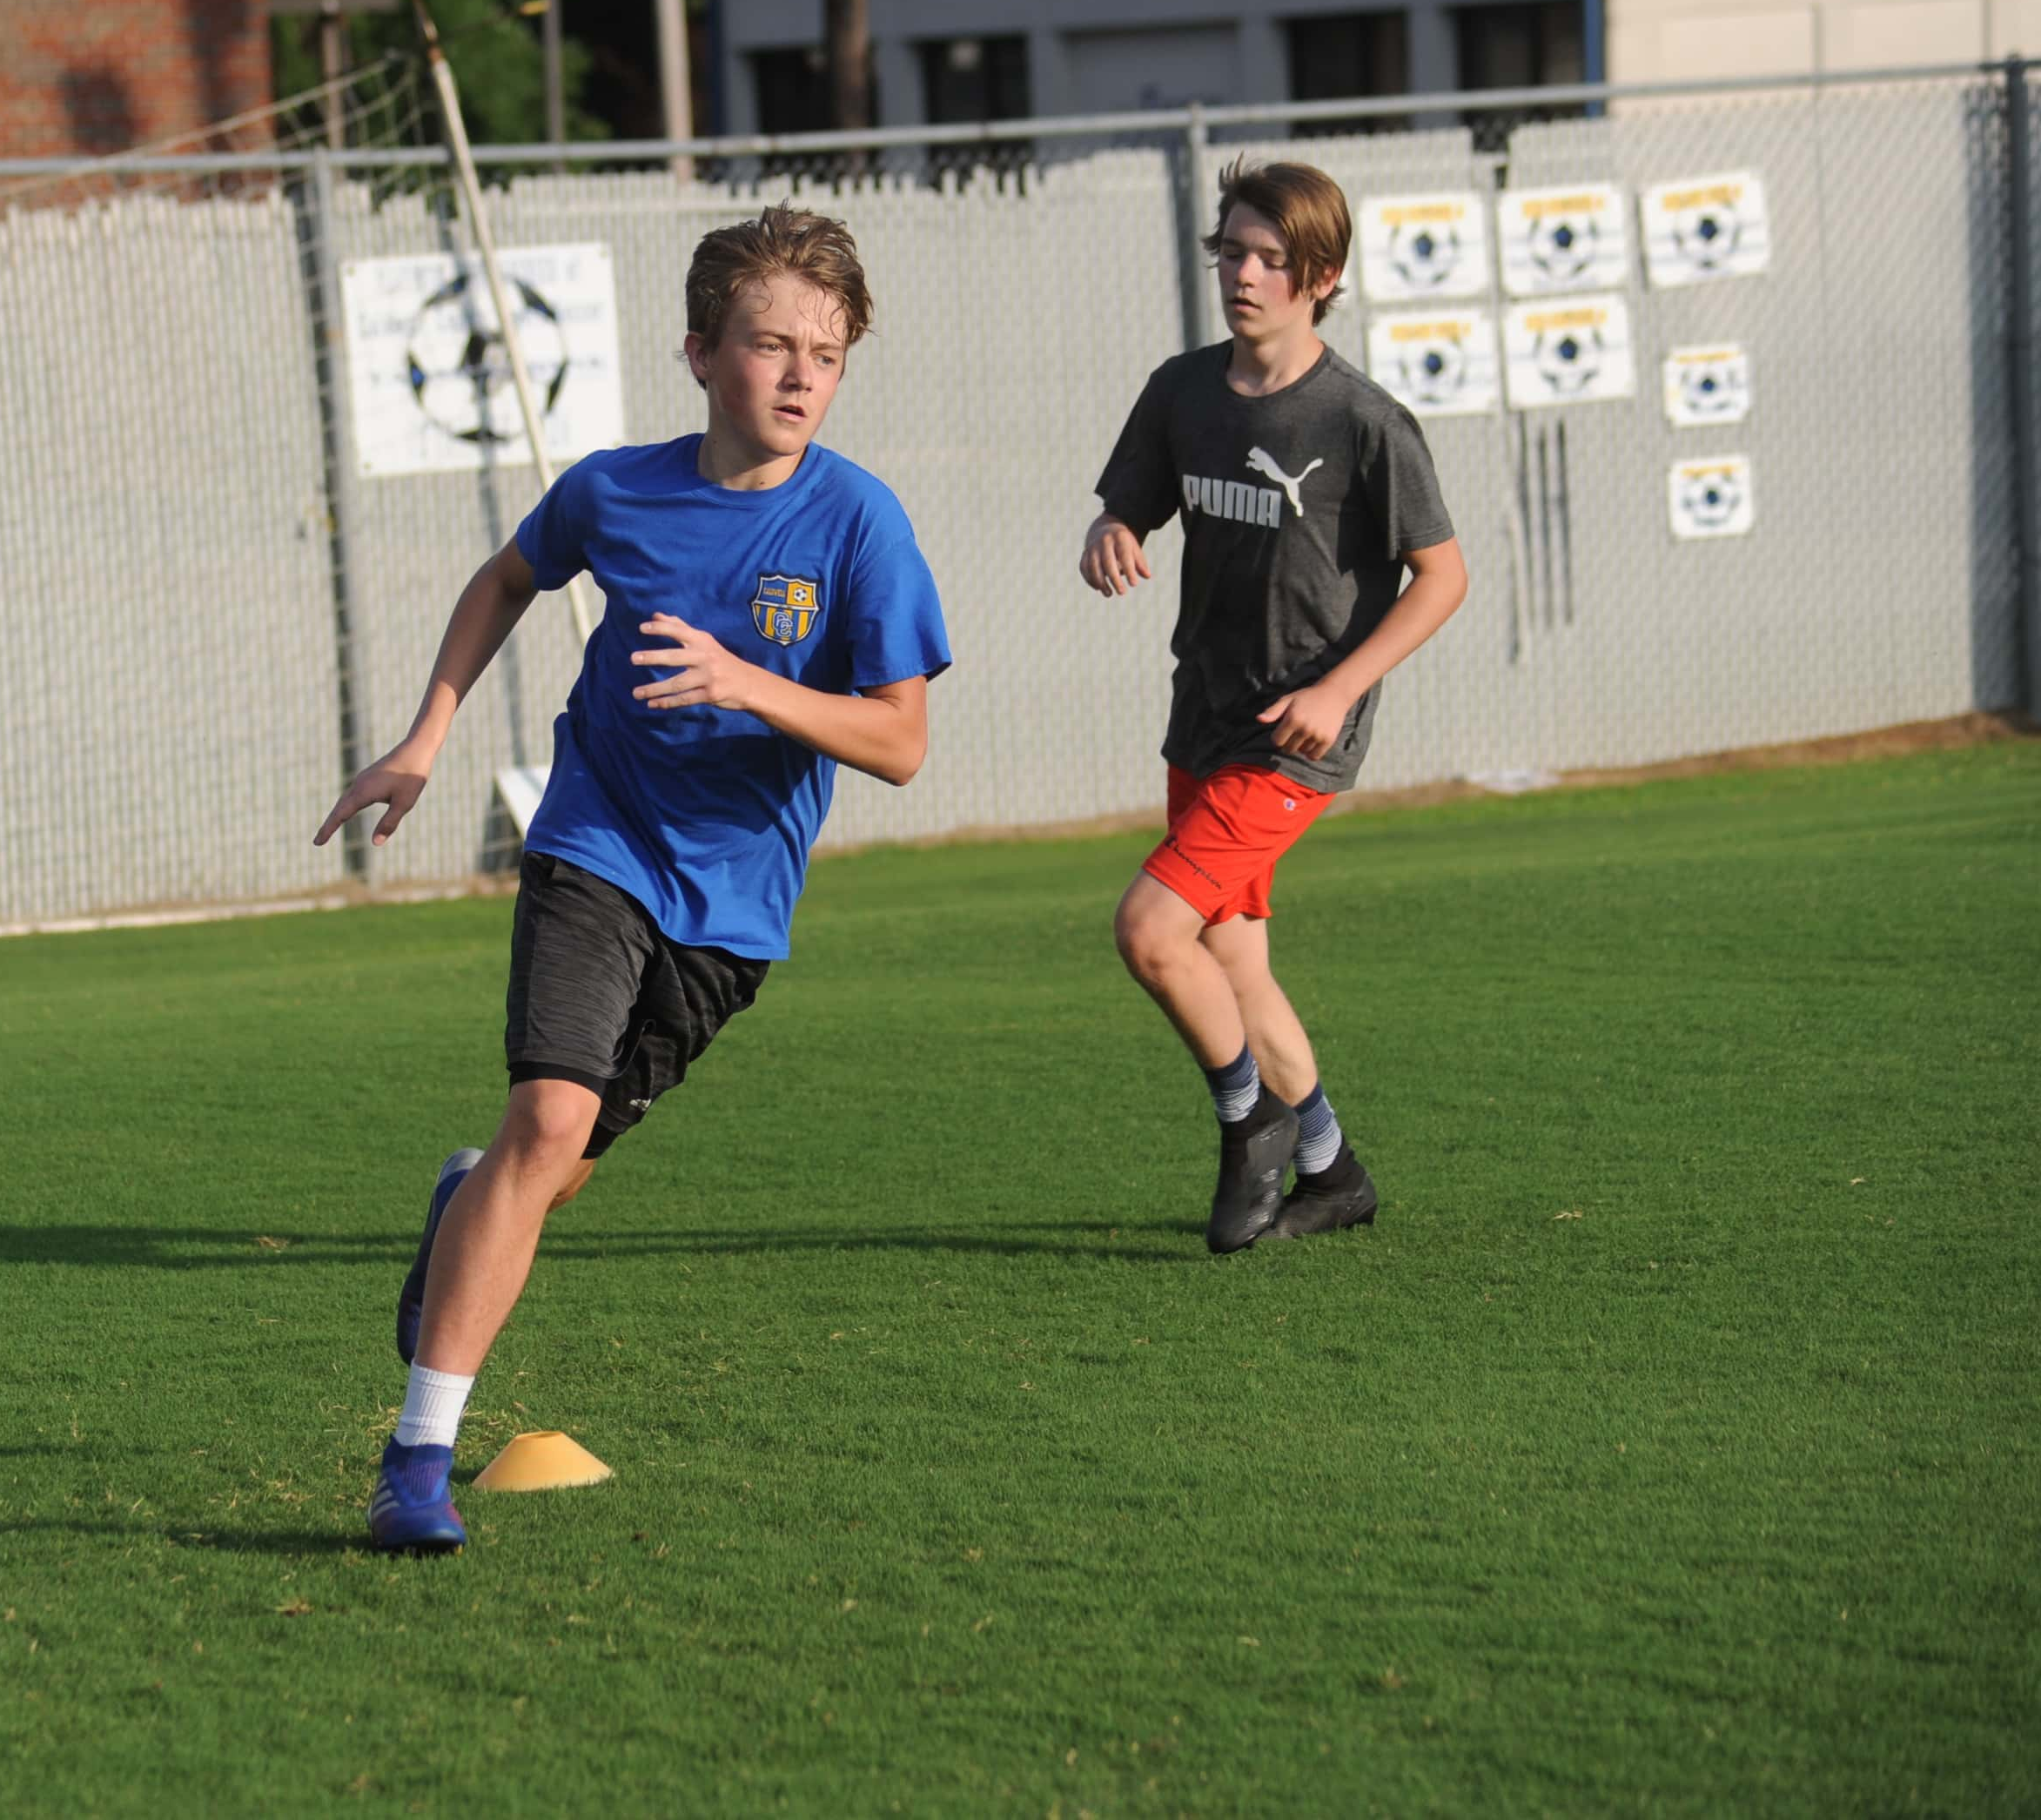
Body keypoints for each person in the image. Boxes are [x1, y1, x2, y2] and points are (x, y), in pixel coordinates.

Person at [313, 205, 952, 1554]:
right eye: (771, 344)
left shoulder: (860, 525)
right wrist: (425, 739)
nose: (798, 376)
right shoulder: (615, 488)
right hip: (595, 840)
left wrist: (750, 685)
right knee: (547, 1122)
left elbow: (900, 741)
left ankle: (466, 1197)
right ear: (699, 350)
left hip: (733, 910)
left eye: (826, 356)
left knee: (555, 1165)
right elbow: (506, 579)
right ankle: (417, 1458)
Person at [1079, 158, 1467, 1254]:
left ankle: (1248, 1122)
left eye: (1268, 259)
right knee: (1232, 958)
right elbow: (1128, 507)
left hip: (1295, 739)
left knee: (1152, 930)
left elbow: (1443, 576)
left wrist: (1338, 686)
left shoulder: (1362, 420)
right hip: (1203, 712)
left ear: (1320, 277)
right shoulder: (1181, 390)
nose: (1242, 274)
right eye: (1231, 252)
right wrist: (1113, 531)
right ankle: (1330, 1166)